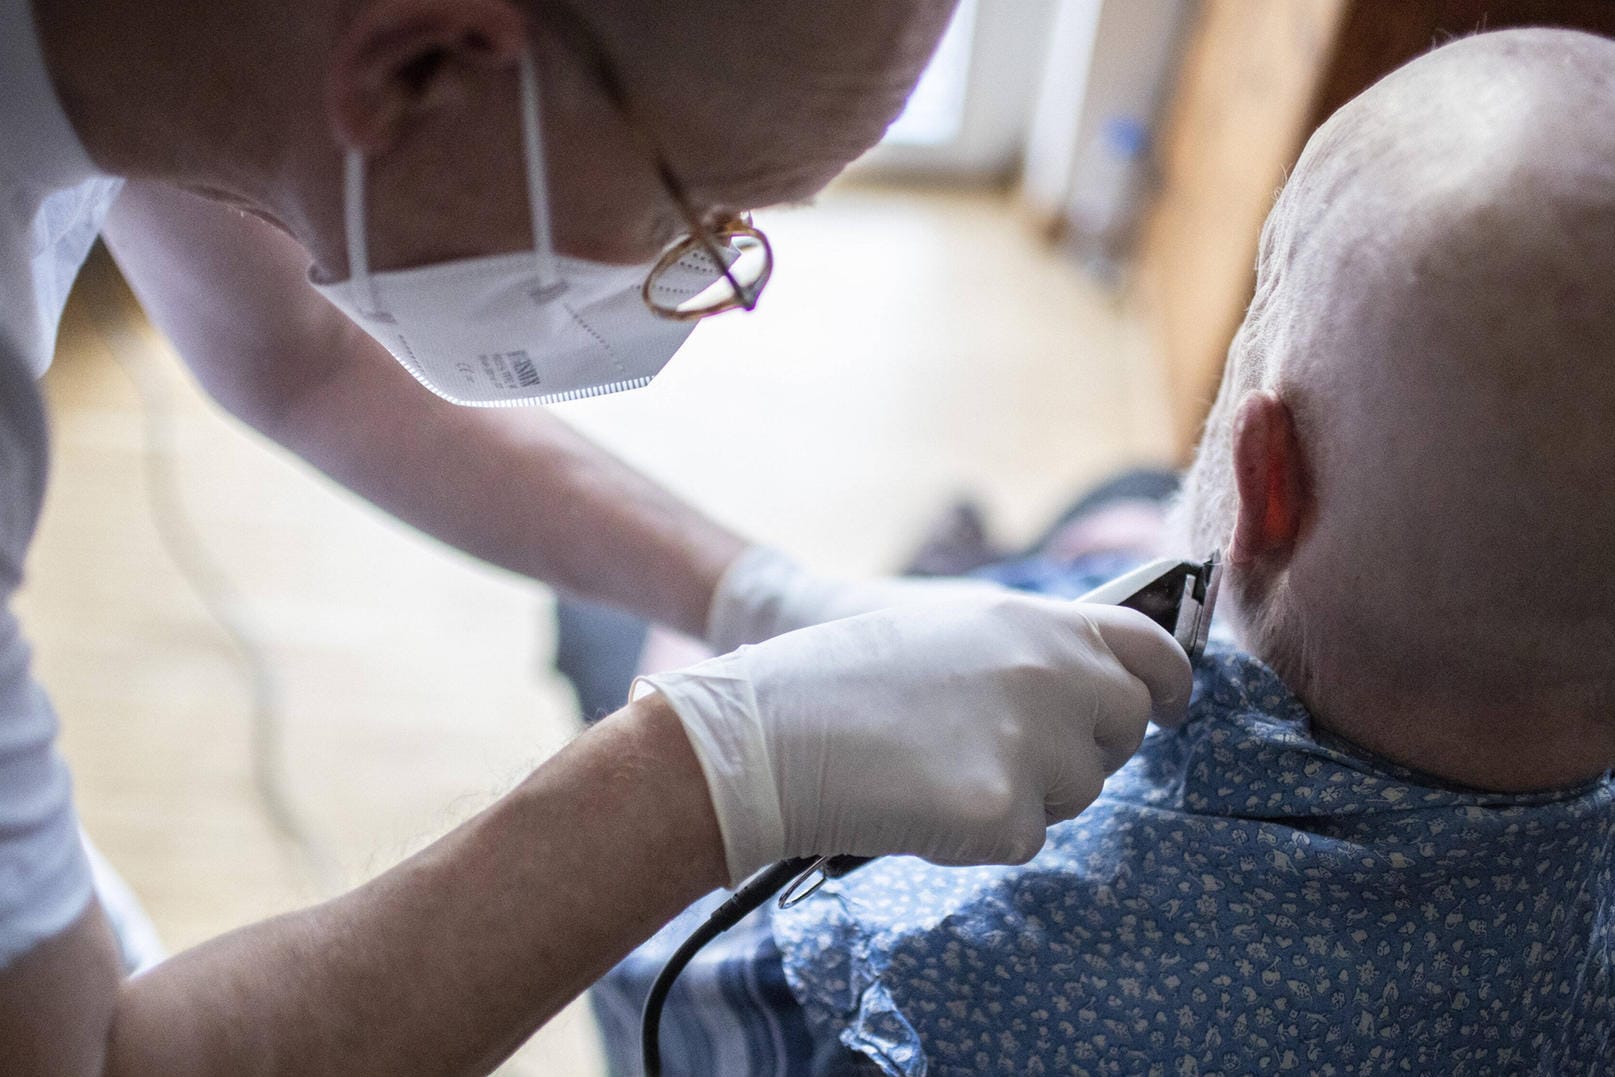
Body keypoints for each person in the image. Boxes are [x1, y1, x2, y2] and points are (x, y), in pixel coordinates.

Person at [0, 0, 1198, 1072]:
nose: (699, 273)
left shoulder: (179, 48)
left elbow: (297, 358)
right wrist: (721, 770)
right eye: (691, 212)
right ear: (423, 62)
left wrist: (759, 594)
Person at [593, 27, 1615, 1075]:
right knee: (1126, 509)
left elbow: (651, 989)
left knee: (605, 628)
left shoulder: (902, 967)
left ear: (1269, 482)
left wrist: (712, 676)